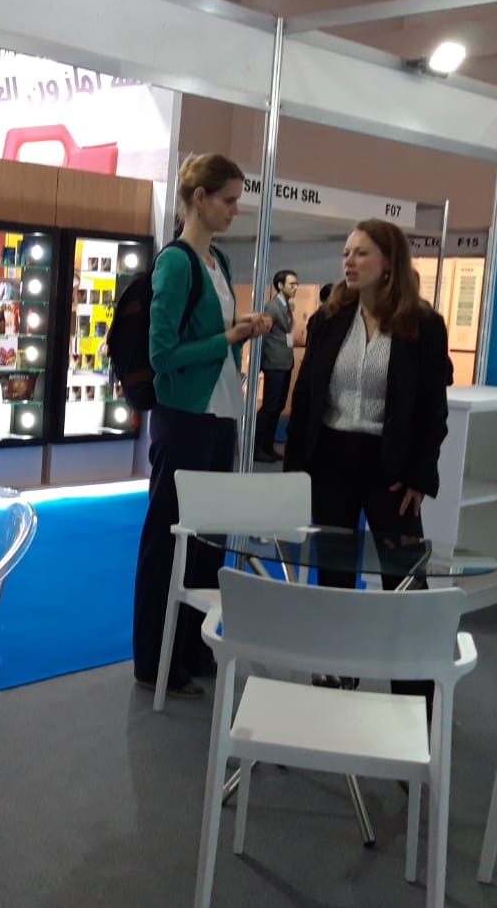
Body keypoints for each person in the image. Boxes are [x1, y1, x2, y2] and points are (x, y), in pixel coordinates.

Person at [283, 219, 450, 699]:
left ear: (389, 262)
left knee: (404, 580)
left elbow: (432, 411)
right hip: (331, 461)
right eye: (346, 253)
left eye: (361, 253)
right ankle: (336, 676)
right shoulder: (330, 318)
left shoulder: (424, 326)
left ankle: (413, 698)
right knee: (334, 576)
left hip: (391, 469)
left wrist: (420, 474)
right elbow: (307, 397)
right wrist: (294, 472)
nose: (349, 262)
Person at [131, 153, 272, 697]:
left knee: (210, 542)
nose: (235, 210)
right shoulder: (176, 263)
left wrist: (239, 330)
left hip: (221, 414)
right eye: (228, 200)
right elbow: (161, 354)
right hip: (184, 417)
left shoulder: (220, 262)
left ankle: (192, 647)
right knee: (169, 538)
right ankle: (155, 660)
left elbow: (211, 339)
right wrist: (228, 338)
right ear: (199, 198)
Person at [253, 267, 300, 463]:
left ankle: (267, 446)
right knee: (269, 407)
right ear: (280, 286)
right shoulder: (272, 307)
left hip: (284, 362)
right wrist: (259, 363)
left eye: (296, 284)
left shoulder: (286, 306)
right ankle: (257, 448)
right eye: (292, 284)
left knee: (277, 406)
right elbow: (263, 336)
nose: (295, 287)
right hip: (273, 363)